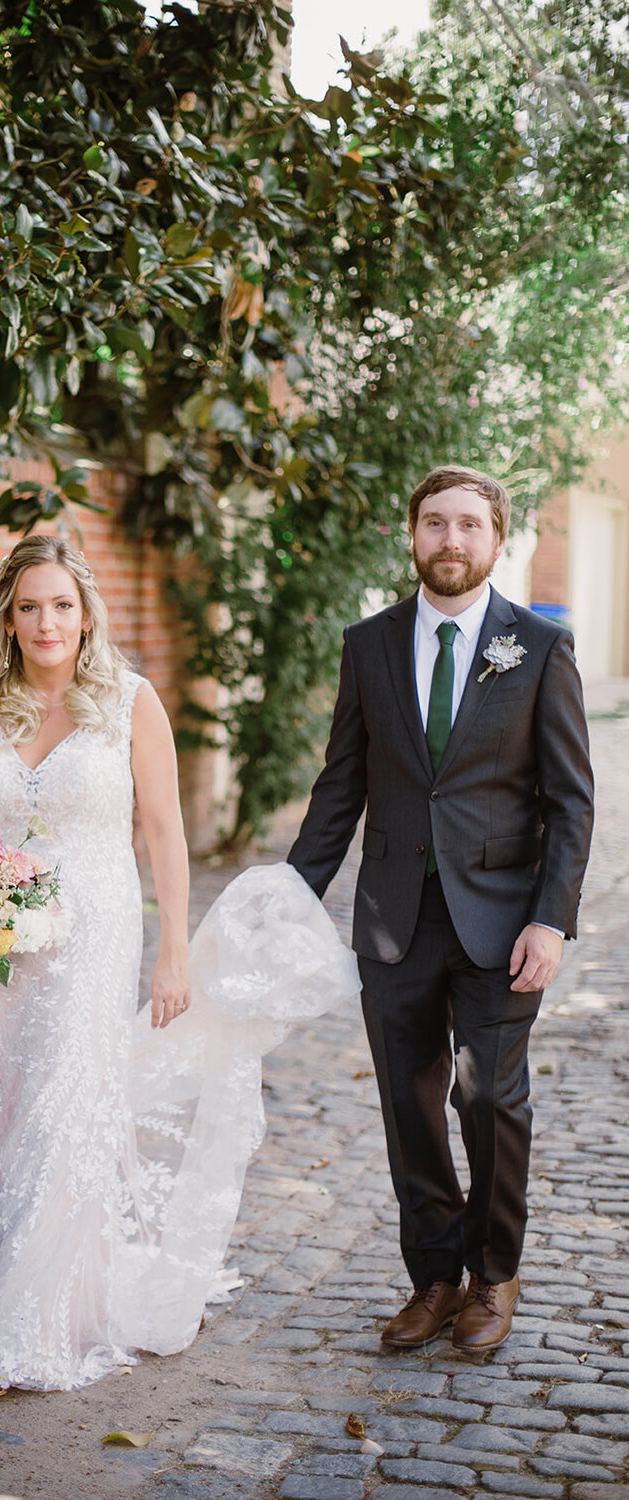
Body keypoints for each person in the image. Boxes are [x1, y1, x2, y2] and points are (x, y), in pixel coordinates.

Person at [0, 535, 360, 1396]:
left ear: (87, 613)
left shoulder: (129, 702)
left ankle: (27, 1332)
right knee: (18, 1114)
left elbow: (165, 830)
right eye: (29, 607)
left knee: (63, 1110)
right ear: (7, 618)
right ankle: (64, 1285)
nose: (47, 622)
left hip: (92, 933)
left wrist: (176, 951)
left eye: (62, 605)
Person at [287, 465, 594, 1353]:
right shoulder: (370, 643)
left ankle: (494, 1274)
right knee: (408, 1102)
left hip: (504, 921)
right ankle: (433, 1276)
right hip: (393, 917)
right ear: (412, 535)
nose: (450, 540)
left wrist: (552, 918)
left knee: (488, 1099)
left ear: (497, 541)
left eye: (468, 525)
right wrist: (287, 898)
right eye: (434, 523)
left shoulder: (536, 647)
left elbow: (571, 801)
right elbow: (342, 783)